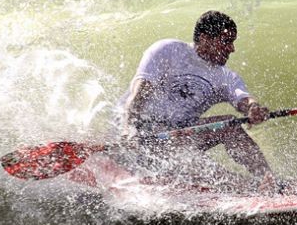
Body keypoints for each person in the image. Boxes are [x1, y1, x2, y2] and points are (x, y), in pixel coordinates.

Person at [118, 10, 280, 193]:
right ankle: (249, 189)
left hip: (177, 135)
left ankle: (269, 181)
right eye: (226, 41)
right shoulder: (169, 50)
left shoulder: (225, 77)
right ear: (204, 38)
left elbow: (244, 100)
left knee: (230, 125)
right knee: (188, 156)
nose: (232, 49)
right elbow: (140, 93)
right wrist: (129, 129)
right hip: (140, 133)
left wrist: (253, 108)